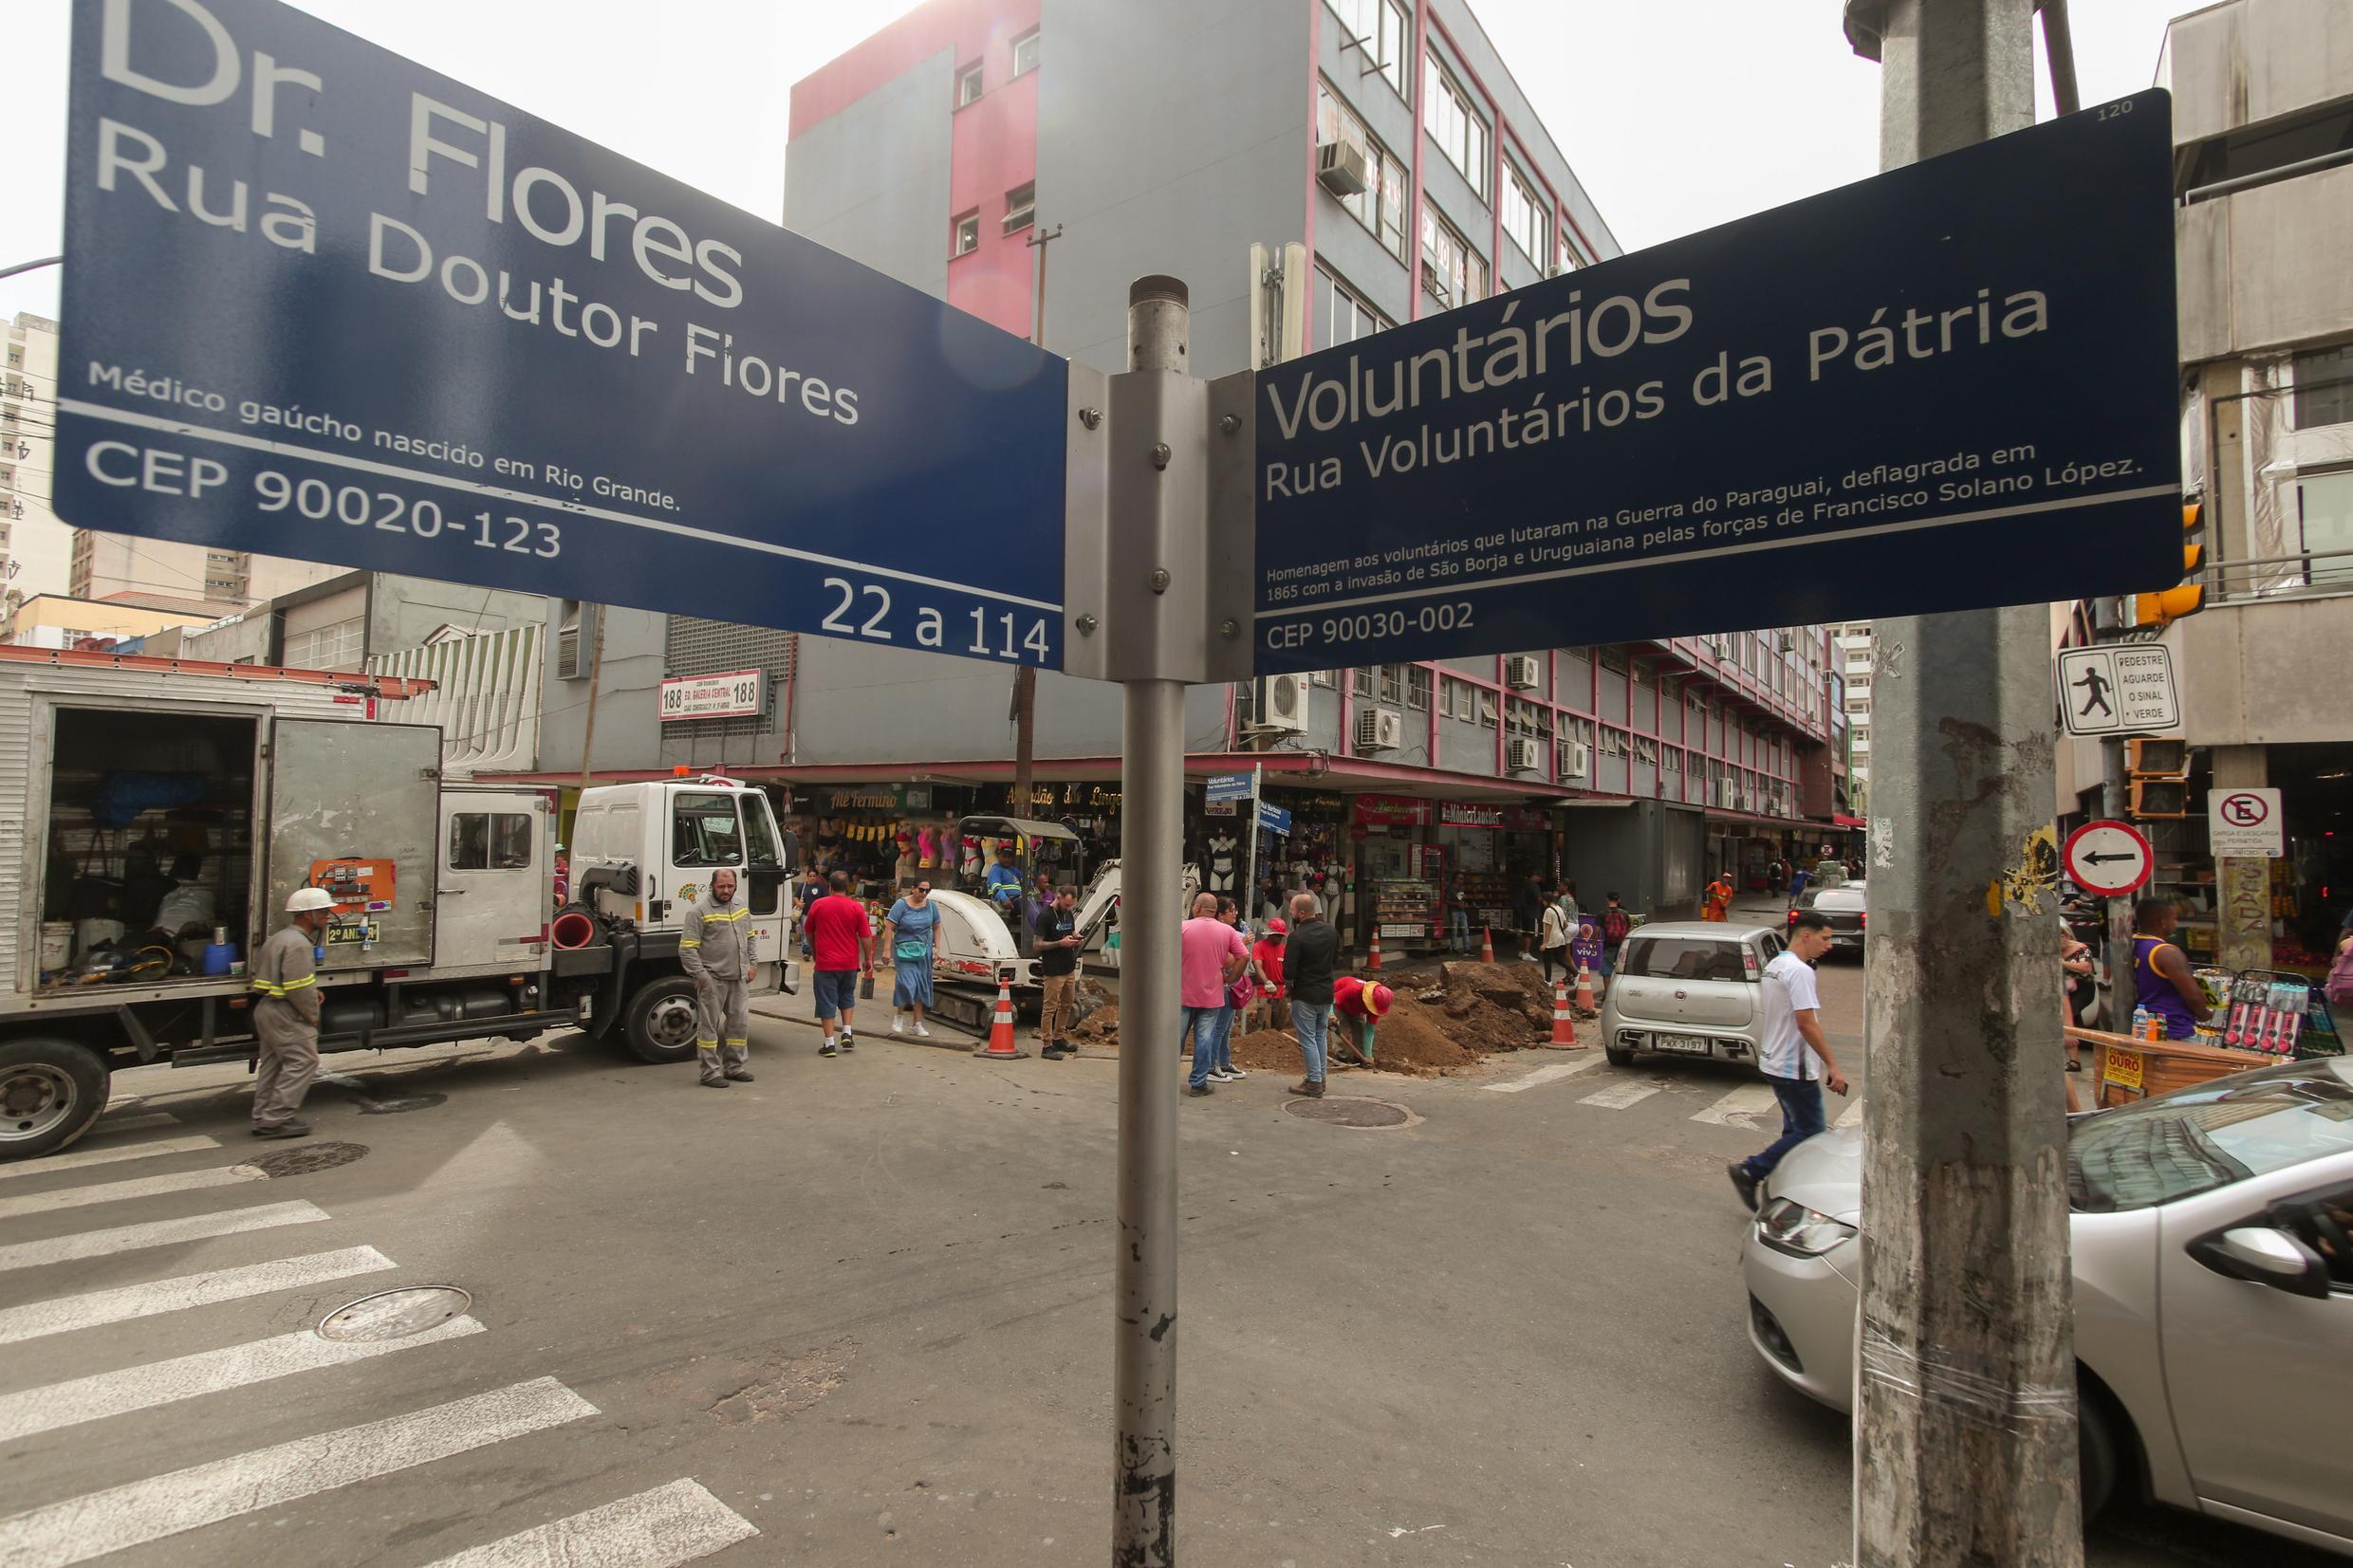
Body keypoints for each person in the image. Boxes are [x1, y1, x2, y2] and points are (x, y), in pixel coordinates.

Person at [1727, 911, 1848, 1210]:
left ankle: (1779, 1186)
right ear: (1806, 935)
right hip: (1792, 1067)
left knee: (1794, 1130)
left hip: (1774, 1060)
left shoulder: (1776, 964)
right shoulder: (1799, 971)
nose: (1829, 945)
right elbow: (1806, 1022)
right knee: (1811, 1132)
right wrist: (1832, 1065)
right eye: (1825, 938)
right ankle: (1751, 1171)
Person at [250, 886, 333, 1138]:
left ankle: (262, 1117)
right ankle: (276, 1120)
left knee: (273, 1065)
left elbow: (278, 979)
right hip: (286, 1012)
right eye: (324, 911)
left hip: (267, 1009)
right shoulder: (298, 944)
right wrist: (311, 1014)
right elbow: (298, 987)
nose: (328, 915)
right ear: (308, 914)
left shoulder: (279, 938)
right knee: (304, 1061)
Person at [680, 867, 756, 1088]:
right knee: (709, 1028)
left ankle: (734, 1067)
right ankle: (710, 1073)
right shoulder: (698, 912)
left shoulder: (740, 905)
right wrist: (702, 976)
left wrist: (752, 964)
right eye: (721, 886)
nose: (726, 890)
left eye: (730, 886)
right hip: (713, 979)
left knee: (738, 1025)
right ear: (712, 885)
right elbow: (687, 949)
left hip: (739, 978)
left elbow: (750, 936)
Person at [1180, 892, 1249, 1097]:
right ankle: (1198, 1083)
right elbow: (1243, 956)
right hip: (1212, 996)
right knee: (1204, 1040)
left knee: (1175, 1039)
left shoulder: (1182, 927)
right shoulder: (1227, 931)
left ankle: (1165, 1080)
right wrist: (1231, 979)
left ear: (1197, 908)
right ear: (1214, 911)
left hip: (1182, 995)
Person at [805, 869, 875, 1057]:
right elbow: (866, 936)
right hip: (849, 963)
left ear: (829, 887)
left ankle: (829, 1044)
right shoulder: (856, 907)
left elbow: (809, 931)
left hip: (826, 963)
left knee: (826, 1000)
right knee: (847, 996)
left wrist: (814, 950)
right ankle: (847, 1032)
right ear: (848, 888)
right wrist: (868, 958)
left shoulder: (818, 905)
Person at [2132, 897, 2213, 1041]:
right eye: (2174, 919)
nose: (2176, 923)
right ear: (2163, 922)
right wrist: (2205, 1015)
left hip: (2144, 1025)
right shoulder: (2167, 952)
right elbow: (2193, 995)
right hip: (2173, 1029)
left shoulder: (2135, 943)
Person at [1285, 891, 1341, 1098]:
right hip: (1326, 992)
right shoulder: (1331, 932)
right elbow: (1337, 958)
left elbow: (1288, 971)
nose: (1290, 913)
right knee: (1319, 1036)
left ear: (1300, 913)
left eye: (1291, 911)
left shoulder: (1297, 937)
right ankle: (1320, 1078)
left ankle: (1314, 1082)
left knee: (1308, 1038)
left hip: (1305, 994)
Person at [884, 878, 941, 1040]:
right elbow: (889, 926)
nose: (924, 893)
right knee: (906, 982)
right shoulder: (901, 905)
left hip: (923, 951)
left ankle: (917, 1023)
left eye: (927, 891)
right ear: (913, 889)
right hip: (904, 951)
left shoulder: (931, 906)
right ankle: (899, 1014)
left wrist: (937, 947)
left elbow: (937, 926)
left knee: (922, 985)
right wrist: (887, 950)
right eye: (921, 890)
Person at [1033, 885, 1082, 1059]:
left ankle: (1059, 1037)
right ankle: (1047, 1045)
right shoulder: (1045, 916)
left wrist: (1076, 937)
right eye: (1066, 905)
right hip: (1054, 968)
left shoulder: (1067, 913)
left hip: (1068, 966)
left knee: (1067, 1003)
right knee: (1050, 1007)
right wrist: (1060, 943)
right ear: (1058, 897)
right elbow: (1037, 945)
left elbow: (1071, 930)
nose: (1068, 908)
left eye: (1071, 906)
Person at [1251, 916, 1288, 1032]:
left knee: (1279, 1022)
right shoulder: (1259, 947)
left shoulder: (1284, 949)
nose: (1280, 938)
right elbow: (1258, 966)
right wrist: (1267, 981)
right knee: (1263, 1022)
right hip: (1265, 988)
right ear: (1270, 934)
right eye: (1277, 935)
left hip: (1280, 988)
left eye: (1281, 936)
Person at [1538, 895, 1571, 984]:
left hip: (1551, 940)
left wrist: (1544, 943)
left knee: (1547, 960)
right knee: (1560, 960)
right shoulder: (1559, 908)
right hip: (1560, 939)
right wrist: (1558, 931)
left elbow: (1548, 928)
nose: (1543, 903)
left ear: (1546, 900)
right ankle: (1575, 973)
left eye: (1543, 901)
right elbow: (1566, 924)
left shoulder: (1548, 911)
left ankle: (1548, 981)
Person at [1514, 872, 1547, 959]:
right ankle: (1526, 953)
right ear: (1535, 876)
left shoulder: (1525, 883)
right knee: (1531, 934)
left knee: (1525, 933)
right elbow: (1538, 898)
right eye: (1539, 877)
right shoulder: (1534, 885)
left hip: (1525, 911)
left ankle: (1522, 951)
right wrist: (1547, 904)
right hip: (1532, 912)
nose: (1540, 879)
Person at [1601, 893, 1632, 981]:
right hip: (1622, 945)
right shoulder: (1625, 913)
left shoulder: (1603, 913)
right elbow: (1629, 929)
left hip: (1609, 945)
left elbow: (1597, 930)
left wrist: (1593, 944)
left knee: (1606, 970)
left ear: (1607, 899)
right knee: (1623, 969)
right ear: (1619, 900)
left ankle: (1607, 993)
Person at [986, 844, 1025, 908]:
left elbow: (1026, 879)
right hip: (1005, 900)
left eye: (1009, 857)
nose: (1007, 859)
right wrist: (1004, 898)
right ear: (999, 856)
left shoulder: (1013, 870)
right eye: (1004, 856)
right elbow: (996, 887)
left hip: (1018, 899)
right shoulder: (996, 869)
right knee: (1025, 903)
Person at [1447, 873, 1472, 954]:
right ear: (1455, 879)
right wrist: (1456, 904)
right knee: (1454, 930)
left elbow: (1460, 898)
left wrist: (1465, 902)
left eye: (1462, 879)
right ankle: (1454, 948)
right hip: (1454, 911)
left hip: (1462, 910)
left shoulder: (1461, 888)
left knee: (1465, 930)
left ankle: (1467, 949)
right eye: (1460, 878)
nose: (1461, 880)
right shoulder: (1450, 888)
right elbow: (1445, 900)